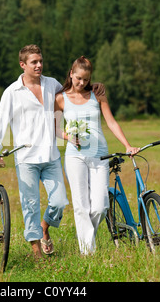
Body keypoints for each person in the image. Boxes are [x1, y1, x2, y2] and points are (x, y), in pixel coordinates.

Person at [0, 45, 105, 259]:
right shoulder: (12, 92)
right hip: (26, 158)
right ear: (23, 65)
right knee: (30, 204)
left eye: (40, 61)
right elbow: (0, 118)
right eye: (34, 62)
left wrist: (93, 88)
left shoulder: (53, 85)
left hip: (51, 156)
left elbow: (72, 94)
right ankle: (36, 251)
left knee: (59, 202)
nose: (39, 65)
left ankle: (44, 228)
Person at [54, 56, 140, 255]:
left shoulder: (97, 94)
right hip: (75, 157)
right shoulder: (60, 98)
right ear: (71, 74)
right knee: (81, 206)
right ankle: (88, 254)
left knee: (100, 207)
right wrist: (68, 137)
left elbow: (111, 122)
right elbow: (54, 128)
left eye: (85, 79)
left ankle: (87, 240)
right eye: (78, 78)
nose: (81, 83)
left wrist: (127, 145)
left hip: (100, 155)